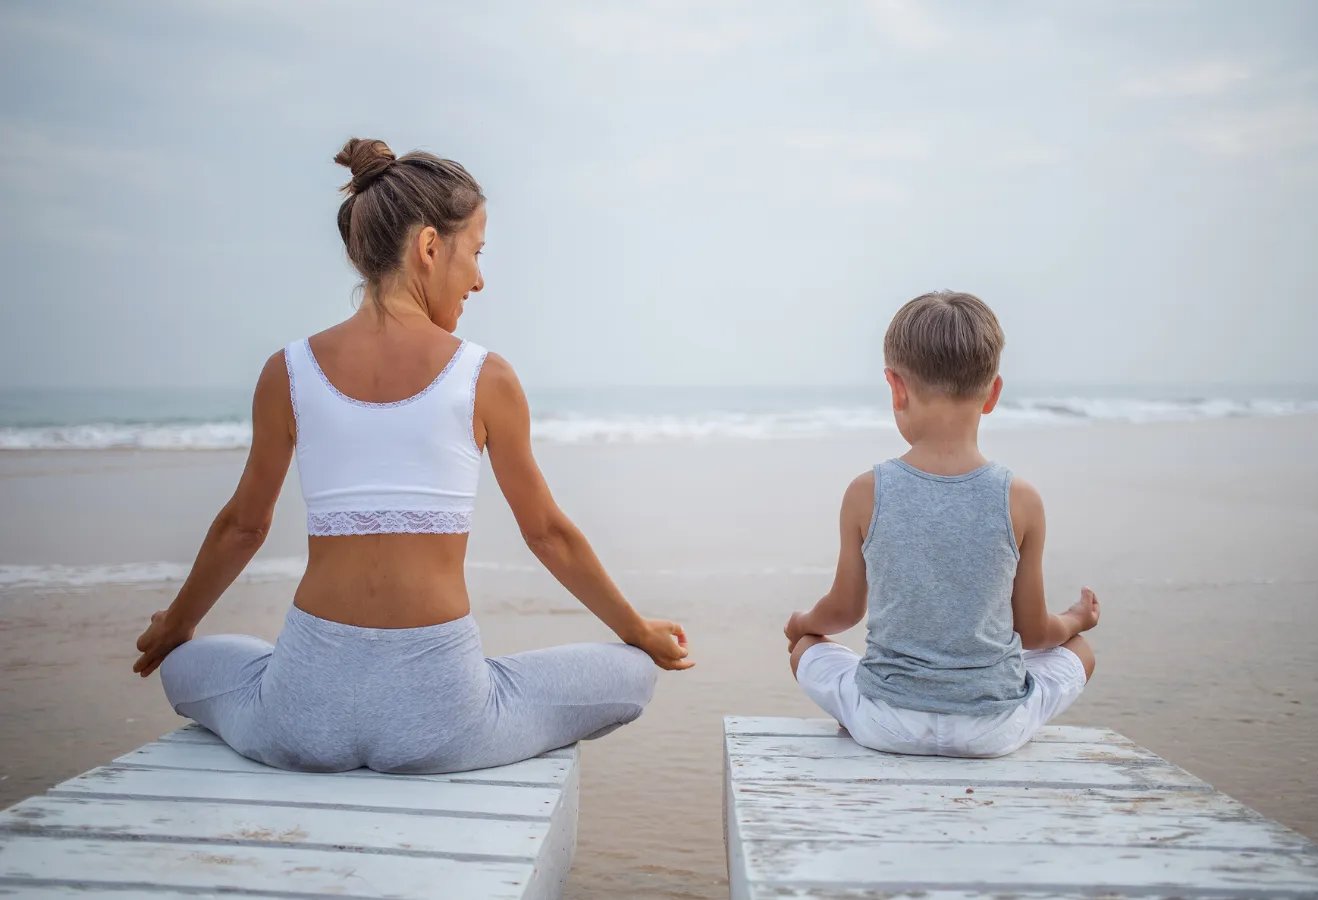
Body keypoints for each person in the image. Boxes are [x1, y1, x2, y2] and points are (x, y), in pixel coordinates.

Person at [134, 138, 692, 774]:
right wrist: (637, 631)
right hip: (444, 722)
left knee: (185, 663)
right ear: (429, 247)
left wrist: (175, 626)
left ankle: (211, 658)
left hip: (300, 715)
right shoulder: (486, 377)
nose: (480, 278)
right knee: (631, 674)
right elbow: (548, 535)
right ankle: (506, 686)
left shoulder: (286, 372)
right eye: (476, 253)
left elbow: (244, 526)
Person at [784, 291, 1099, 758]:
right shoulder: (1021, 500)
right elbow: (1033, 633)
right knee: (1080, 654)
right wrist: (1077, 619)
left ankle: (859, 716)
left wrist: (803, 625)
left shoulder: (867, 492)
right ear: (993, 393)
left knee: (807, 651)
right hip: (991, 728)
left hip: (885, 722)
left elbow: (843, 612)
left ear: (896, 387)